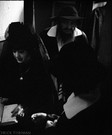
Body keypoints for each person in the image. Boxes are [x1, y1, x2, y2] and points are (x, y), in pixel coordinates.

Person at [31, 6, 106, 135]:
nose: (69, 27)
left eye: (72, 23)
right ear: (58, 22)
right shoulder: (45, 35)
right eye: (65, 22)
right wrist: (50, 116)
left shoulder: (82, 37)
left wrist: (51, 126)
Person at [0, 22, 58, 132]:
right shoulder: (13, 65)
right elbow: (15, 89)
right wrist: (8, 97)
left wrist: (25, 107)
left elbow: (44, 99)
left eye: (21, 52)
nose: (16, 56)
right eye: (14, 51)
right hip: (15, 111)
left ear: (30, 51)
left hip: (37, 114)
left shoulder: (40, 69)